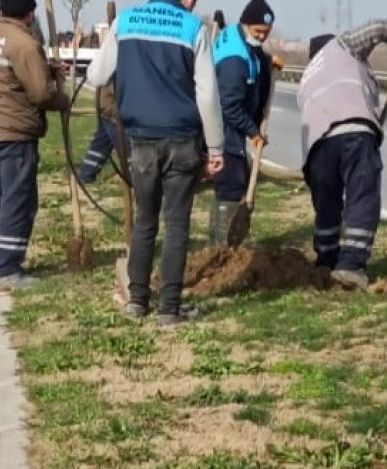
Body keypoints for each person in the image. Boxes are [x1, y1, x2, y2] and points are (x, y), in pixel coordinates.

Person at [87, 0, 225, 326]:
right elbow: (207, 93)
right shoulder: (194, 29)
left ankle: (137, 300)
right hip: (183, 140)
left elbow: (96, 75)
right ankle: (169, 308)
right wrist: (216, 147)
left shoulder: (126, 22)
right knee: (177, 225)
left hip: (142, 141)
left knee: (146, 219)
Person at [297, 19, 387, 290]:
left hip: (316, 145)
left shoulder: (308, 75)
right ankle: (351, 265)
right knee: (362, 196)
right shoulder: (340, 47)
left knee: (326, 203)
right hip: (353, 131)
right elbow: (376, 28)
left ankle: (327, 260)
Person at [0, 0, 69, 291]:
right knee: (18, 200)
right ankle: (8, 269)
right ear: (30, 14)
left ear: (0, 11)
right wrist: (62, 100)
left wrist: (44, 68)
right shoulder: (25, 44)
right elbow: (40, 95)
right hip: (15, 133)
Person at [209, 0, 276, 246]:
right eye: (258, 32)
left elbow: (255, 55)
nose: (261, 37)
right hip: (224, 130)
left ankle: (228, 243)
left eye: (266, 34)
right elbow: (230, 107)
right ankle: (223, 247)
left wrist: (267, 64)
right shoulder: (234, 60)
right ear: (246, 24)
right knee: (232, 183)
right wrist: (253, 132)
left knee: (237, 180)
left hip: (230, 126)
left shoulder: (241, 38)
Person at [77, 82, 120, 184]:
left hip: (107, 105)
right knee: (127, 149)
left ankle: (86, 173)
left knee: (100, 144)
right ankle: (136, 179)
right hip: (113, 108)